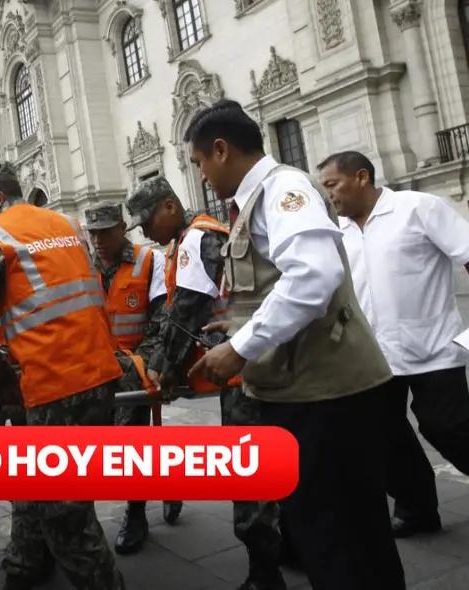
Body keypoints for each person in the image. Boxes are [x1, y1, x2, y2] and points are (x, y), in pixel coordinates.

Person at [184, 99, 404, 590]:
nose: (200, 176)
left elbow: (313, 276)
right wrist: (236, 327)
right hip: (303, 391)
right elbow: (275, 284)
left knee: (337, 540)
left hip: (325, 398)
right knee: (344, 535)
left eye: (199, 162)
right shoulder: (257, 200)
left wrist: (240, 347)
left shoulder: (283, 190)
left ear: (221, 150)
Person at [0, 161, 125, 590]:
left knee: (66, 516)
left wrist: (1, 380)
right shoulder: (68, 226)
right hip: (101, 376)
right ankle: (25, 564)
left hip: (54, 387)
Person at [126, 176, 285, 590]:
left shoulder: (196, 239)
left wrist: (163, 368)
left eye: (147, 221)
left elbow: (186, 310)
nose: (145, 232)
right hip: (250, 361)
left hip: (243, 369)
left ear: (169, 207)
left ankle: (265, 576)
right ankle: (289, 550)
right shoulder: (192, 238)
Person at [318, 150, 469, 537]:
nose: (328, 194)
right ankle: (417, 508)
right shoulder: (338, 233)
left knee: (446, 428)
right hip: (371, 356)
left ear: (361, 177)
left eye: (333, 184)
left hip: (433, 348)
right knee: (379, 434)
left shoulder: (418, 208)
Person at [81, 201, 182, 555]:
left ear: (122, 228)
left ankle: (136, 514)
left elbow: (162, 318)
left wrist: (146, 363)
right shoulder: (82, 267)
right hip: (96, 369)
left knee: (130, 442)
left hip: (136, 368)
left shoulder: (148, 261)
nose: (98, 240)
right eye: (93, 233)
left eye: (105, 232)